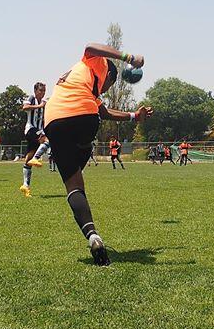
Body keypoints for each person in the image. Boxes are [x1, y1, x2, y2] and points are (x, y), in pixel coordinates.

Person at [43, 43, 152, 266]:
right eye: (109, 85)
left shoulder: (81, 82)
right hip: (83, 118)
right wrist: (129, 57)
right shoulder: (94, 61)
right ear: (108, 73)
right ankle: (81, 157)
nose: (106, 90)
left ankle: (94, 237)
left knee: (73, 187)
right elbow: (91, 45)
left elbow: (104, 111)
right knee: (84, 151)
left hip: (53, 122)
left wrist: (133, 116)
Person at [21, 82, 48, 196]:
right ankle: (37, 158)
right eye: (40, 90)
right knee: (47, 140)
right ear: (35, 91)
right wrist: (39, 106)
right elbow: (25, 107)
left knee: (28, 159)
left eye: (44, 91)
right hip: (30, 129)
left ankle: (25, 186)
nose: (42, 93)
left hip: (38, 130)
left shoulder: (45, 102)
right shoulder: (32, 99)